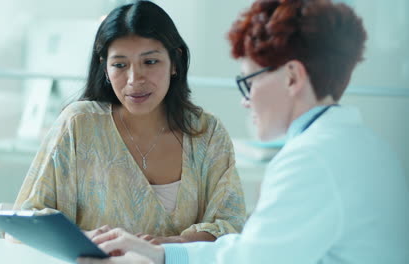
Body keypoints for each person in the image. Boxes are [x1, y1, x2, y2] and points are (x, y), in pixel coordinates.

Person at [77, 0, 409, 263]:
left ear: (292, 77)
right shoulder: (364, 145)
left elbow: (252, 259)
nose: (245, 101)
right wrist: (163, 252)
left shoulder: (311, 160)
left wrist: (160, 256)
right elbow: (260, 249)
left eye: (248, 81)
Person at [13, 0, 246, 244]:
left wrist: (163, 247)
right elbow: (24, 222)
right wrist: (88, 239)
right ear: (105, 69)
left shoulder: (207, 133)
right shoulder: (79, 125)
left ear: (175, 62)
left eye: (150, 62)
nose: (134, 79)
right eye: (120, 65)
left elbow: (231, 225)